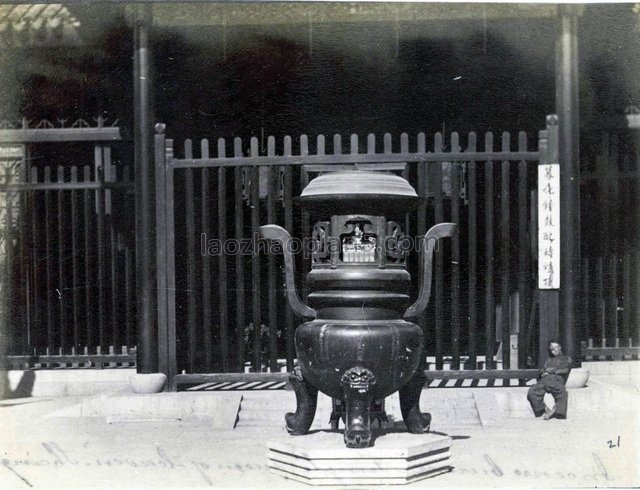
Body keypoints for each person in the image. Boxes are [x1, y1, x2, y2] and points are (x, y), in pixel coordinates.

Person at [527, 340, 572, 420]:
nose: (553, 351)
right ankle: (546, 410)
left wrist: (551, 371)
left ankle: (555, 411)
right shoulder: (549, 360)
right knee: (532, 392)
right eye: (551, 349)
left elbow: (565, 369)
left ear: (559, 347)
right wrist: (543, 372)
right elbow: (542, 369)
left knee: (563, 394)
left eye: (555, 348)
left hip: (556, 380)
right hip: (544, 380)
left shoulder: (566, 358)